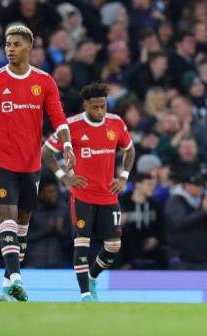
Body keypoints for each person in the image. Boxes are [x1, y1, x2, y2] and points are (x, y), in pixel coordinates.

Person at [0, 25, 75, 302]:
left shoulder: (44, 82)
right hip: (2, 162)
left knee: (22, 227)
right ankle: (18, 278)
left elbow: (58, 117)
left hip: (31, 165)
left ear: (29, 47)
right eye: (8, 44)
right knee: (6, 220)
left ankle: (6, 286)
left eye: (17, 44)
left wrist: (67, 145)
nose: (10, 48)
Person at [42, 82, 135, 301]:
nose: (100, 111)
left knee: (113, 246)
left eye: (103, 106)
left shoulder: (116, 123)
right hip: (82, 195)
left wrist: (123, 177)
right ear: (86, 105)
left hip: (108, 195)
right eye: (95, 107)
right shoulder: (71, 126)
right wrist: (63, 177)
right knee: (82, 243)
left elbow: (129, 150)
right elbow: (46, 151)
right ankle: (85, 294)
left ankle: (92, 277)